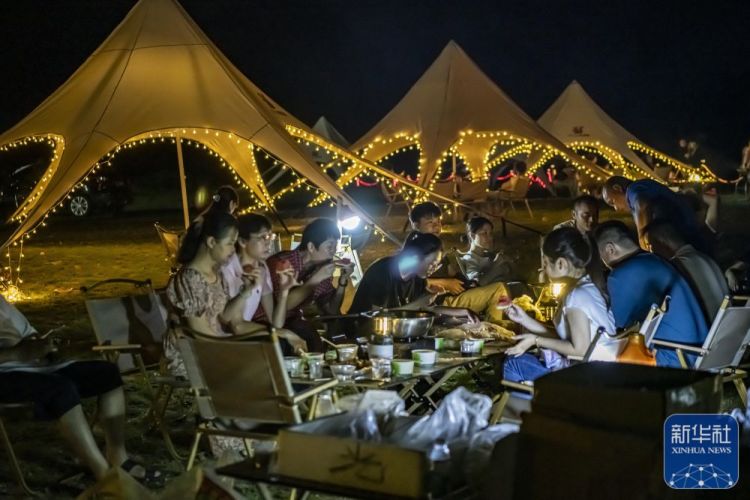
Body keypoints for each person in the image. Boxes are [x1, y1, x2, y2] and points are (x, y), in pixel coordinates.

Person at [0, 295, 153, 482]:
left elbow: (24, 334)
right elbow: (17, 350)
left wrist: (46, 347)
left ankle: (117, 457)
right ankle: (103, 474)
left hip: (35, 364)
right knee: (61, 389)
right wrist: (16, 353)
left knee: (107, 373)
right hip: (5, 373)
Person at [502, 227, 616, 382]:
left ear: (561, 263)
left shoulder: (577, 296)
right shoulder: (588, 285)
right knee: (519, 360)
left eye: (546, 263)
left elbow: (580, 350)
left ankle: (540, 397)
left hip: (590, 378)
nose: (544, 269)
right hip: (598, 371)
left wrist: (536, 340)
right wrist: (524, 319)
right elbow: (563, 340)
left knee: (513, 364)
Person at [593, 221, 708, 367]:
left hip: (672, 359)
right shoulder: (658, 261)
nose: (603, 264)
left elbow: (618, 331)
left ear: (610, 249)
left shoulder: (621, 274)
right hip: (699, 351)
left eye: (601, 257)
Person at [407, 202, 511, 323]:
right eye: (430, 222)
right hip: (437, 303)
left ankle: (495, 325)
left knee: (504, 288)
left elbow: (450, 272)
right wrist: (445, 283)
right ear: (416, 225)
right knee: (498, 290)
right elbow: (408, 284)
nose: (437, 226)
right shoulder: (415, 250)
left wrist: (467, 283)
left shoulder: (436, 246)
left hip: (451, 297)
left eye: (438, 221)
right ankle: (493, 327)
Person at [220, 214, 306, 352]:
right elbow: (237, 326)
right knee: (280, 343)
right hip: (225, 341)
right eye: (263, 237)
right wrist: (286, 334)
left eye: (270, 237)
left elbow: (275, 322)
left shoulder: (262, 268)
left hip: (244, 337)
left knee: (289, 340)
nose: (268, 243)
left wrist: (284, 292)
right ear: (242, 241)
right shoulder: (229, 269)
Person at [265, 218, 354, 352]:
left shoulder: (321, 268)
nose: (333, 252)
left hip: (293, 321)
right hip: (266, 321)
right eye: (329, 247)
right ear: (311, 247)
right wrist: (316, 278)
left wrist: (342, 281)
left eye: (335, 247)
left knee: (313, 338)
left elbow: (331, 310)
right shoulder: (283, 263)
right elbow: (284, 305)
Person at [644, 219, 728, 325]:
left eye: (650, 245)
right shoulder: (704, 257)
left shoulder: (676, 267)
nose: (650, 251)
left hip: (706, 329)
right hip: (725, 326)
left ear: (661, 243)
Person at [601, 175, 709, 253]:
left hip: (688, 241)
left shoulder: (633, 189)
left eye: (612, 202)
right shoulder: (642, 188)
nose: (616, 209)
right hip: (691, 238)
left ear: (618, 188)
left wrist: (642, 238)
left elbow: (642, 204)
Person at [348, 232, 442, 313]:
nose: (434, 269)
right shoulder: (382, 271)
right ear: (416, 257)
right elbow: (376, 315)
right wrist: (418, 304)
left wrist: (429, 300)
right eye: (432, 264)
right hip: (361, 325)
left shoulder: (419, 280)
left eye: (437, 265)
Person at [553, 195, 608, 301]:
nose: (592, 220)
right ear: (574, 214)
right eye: (586, 215)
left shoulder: (602, 232)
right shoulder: (562, 232)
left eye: (595, 215)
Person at [459, 216, 513, 286]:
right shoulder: (469, 259)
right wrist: (496, 264)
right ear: (472, 236)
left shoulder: (491, 256)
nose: (490, 238)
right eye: (484, 233)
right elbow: (475, 284)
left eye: (491, 233)